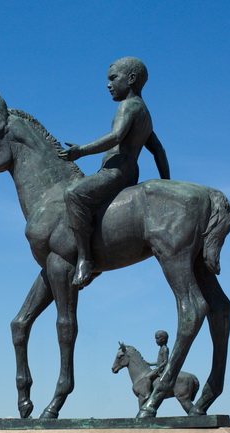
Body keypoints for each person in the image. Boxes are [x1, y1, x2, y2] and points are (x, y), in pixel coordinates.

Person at [58, 57, 170, 287]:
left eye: (112, 78)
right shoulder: (144, 111)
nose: (108, 85)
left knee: (73, 194)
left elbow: (115, 137)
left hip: (116, 172)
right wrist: (166, 182)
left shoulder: (128, 105)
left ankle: (86, 259)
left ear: (130, 79)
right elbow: (158, 149)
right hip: (130, 173)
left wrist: (81, 151)